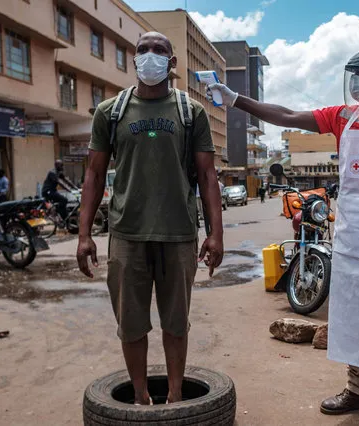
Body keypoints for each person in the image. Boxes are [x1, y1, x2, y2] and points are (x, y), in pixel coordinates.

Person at [207, 49, 359, 426]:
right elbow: (286, 116)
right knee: (352, 318)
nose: (354, 81)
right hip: (350, 241)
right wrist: (237, 101)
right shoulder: (344, 117)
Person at [76, 31, 223, 406]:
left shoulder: (191, 113)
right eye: (143, 50)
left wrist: (214, 234)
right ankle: (141, 397)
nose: (151, 56)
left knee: (176, 324)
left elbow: (208, 177)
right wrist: (84, 235)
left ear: (172, 63)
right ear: (133, 58)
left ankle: (175, 396)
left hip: (178, 235)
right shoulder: (111, 112)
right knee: (131, 324)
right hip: (127, 234)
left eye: (160, 50)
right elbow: (93, 175)